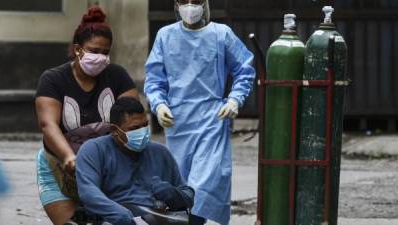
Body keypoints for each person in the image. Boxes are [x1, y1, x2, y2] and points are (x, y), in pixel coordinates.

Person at [144, 0, 256, 224]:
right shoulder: (165, 36)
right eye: (184, 1)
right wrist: (159, 104)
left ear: (205, 3)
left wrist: (234, 99)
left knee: (204, 185)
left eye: (195, 1)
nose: (190, 6)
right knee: (180, 187)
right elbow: (154, 79)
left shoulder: (221, 35)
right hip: (178, 122)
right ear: (176, 4)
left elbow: (245, 69)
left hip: (212, 119)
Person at [34, 6, 139, 225]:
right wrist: (69, 157)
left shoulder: (117, 76)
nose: (100, 57)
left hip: (107, 170)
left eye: (105, 53)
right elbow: (48, 125)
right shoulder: (53, 79)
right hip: (61, 171)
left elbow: (133, 119)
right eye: (94, 51)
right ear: (78, 49)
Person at [76, 97, 194, 225]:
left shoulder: (160, 152)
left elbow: (188, 194)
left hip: (157, 217)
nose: (142, 132)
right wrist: (120, 214)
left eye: (145, 125)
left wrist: (173, 194)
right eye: (134, 128)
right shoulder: (94, 150)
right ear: (115, 130)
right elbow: (88, 192)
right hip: (114, 219)